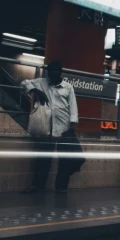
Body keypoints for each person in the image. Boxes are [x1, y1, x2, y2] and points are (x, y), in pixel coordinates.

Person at [20, 61, 83, 193]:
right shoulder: (41, 82)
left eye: (56, 71)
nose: (54, 73)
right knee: (43, 159)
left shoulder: (68, 87)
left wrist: (72, 126)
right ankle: (38, 185)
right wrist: (35, 90)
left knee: (64, 160)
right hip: (46, 129)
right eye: (51, 71)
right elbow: (23, 83)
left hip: (64, 129)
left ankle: (61, 187)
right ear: (48, 72)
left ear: (60, 72)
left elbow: (73, 107)